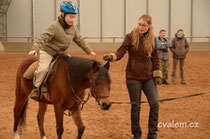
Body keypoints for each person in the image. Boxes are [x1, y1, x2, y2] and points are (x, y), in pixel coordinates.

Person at [103, 14, 161, 139]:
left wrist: (157, 73)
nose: (140, 27)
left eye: (143, 25)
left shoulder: (153, 39)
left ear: (149, 26)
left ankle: (152, 133)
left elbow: (155, 59)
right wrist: (113, 56)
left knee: (155, 103)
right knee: (136, 106)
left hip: (148, 77)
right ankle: (137, 134)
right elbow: (121, 51)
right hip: (133, 77)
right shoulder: (130, 37)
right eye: (139, 24)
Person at [28, 1, 96, 100]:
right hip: (48, 52)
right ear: (63, 14)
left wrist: (89, 51)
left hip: (62, 54)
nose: (72, 19)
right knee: (43, 69)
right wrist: (35, 49)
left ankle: (71, 89)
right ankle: (36, 88)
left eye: (74, 17)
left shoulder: (73, 28)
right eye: (70, 17)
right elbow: (43, 38)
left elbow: (80, 39)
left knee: (74, 68)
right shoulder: (54, 27)